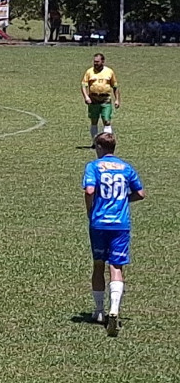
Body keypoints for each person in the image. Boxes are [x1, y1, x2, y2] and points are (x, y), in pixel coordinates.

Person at [82, 132, 145, 336]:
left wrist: (90, 211)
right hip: (121, 224)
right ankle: (114, 309)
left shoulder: (93, 167)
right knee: (116, 266)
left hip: (99, 222)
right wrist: (123, 200)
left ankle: (99, 311)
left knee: (98, 264)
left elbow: (90, 190)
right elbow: (140, 193)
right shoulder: (126, 168)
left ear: (99, 147)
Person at [81, 53, 119, 146]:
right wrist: (86, 96)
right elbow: (83, 85)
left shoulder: (109, 72)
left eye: (97, 62)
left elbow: (115, 86)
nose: (95, 63)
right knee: (94, 121)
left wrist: (117, 99)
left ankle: (107, 143)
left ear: (102, 61)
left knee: (107, 121)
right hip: (93, 100)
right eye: (94, 62)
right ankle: (95, 142)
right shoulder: (89, 72)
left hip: (105, 99)